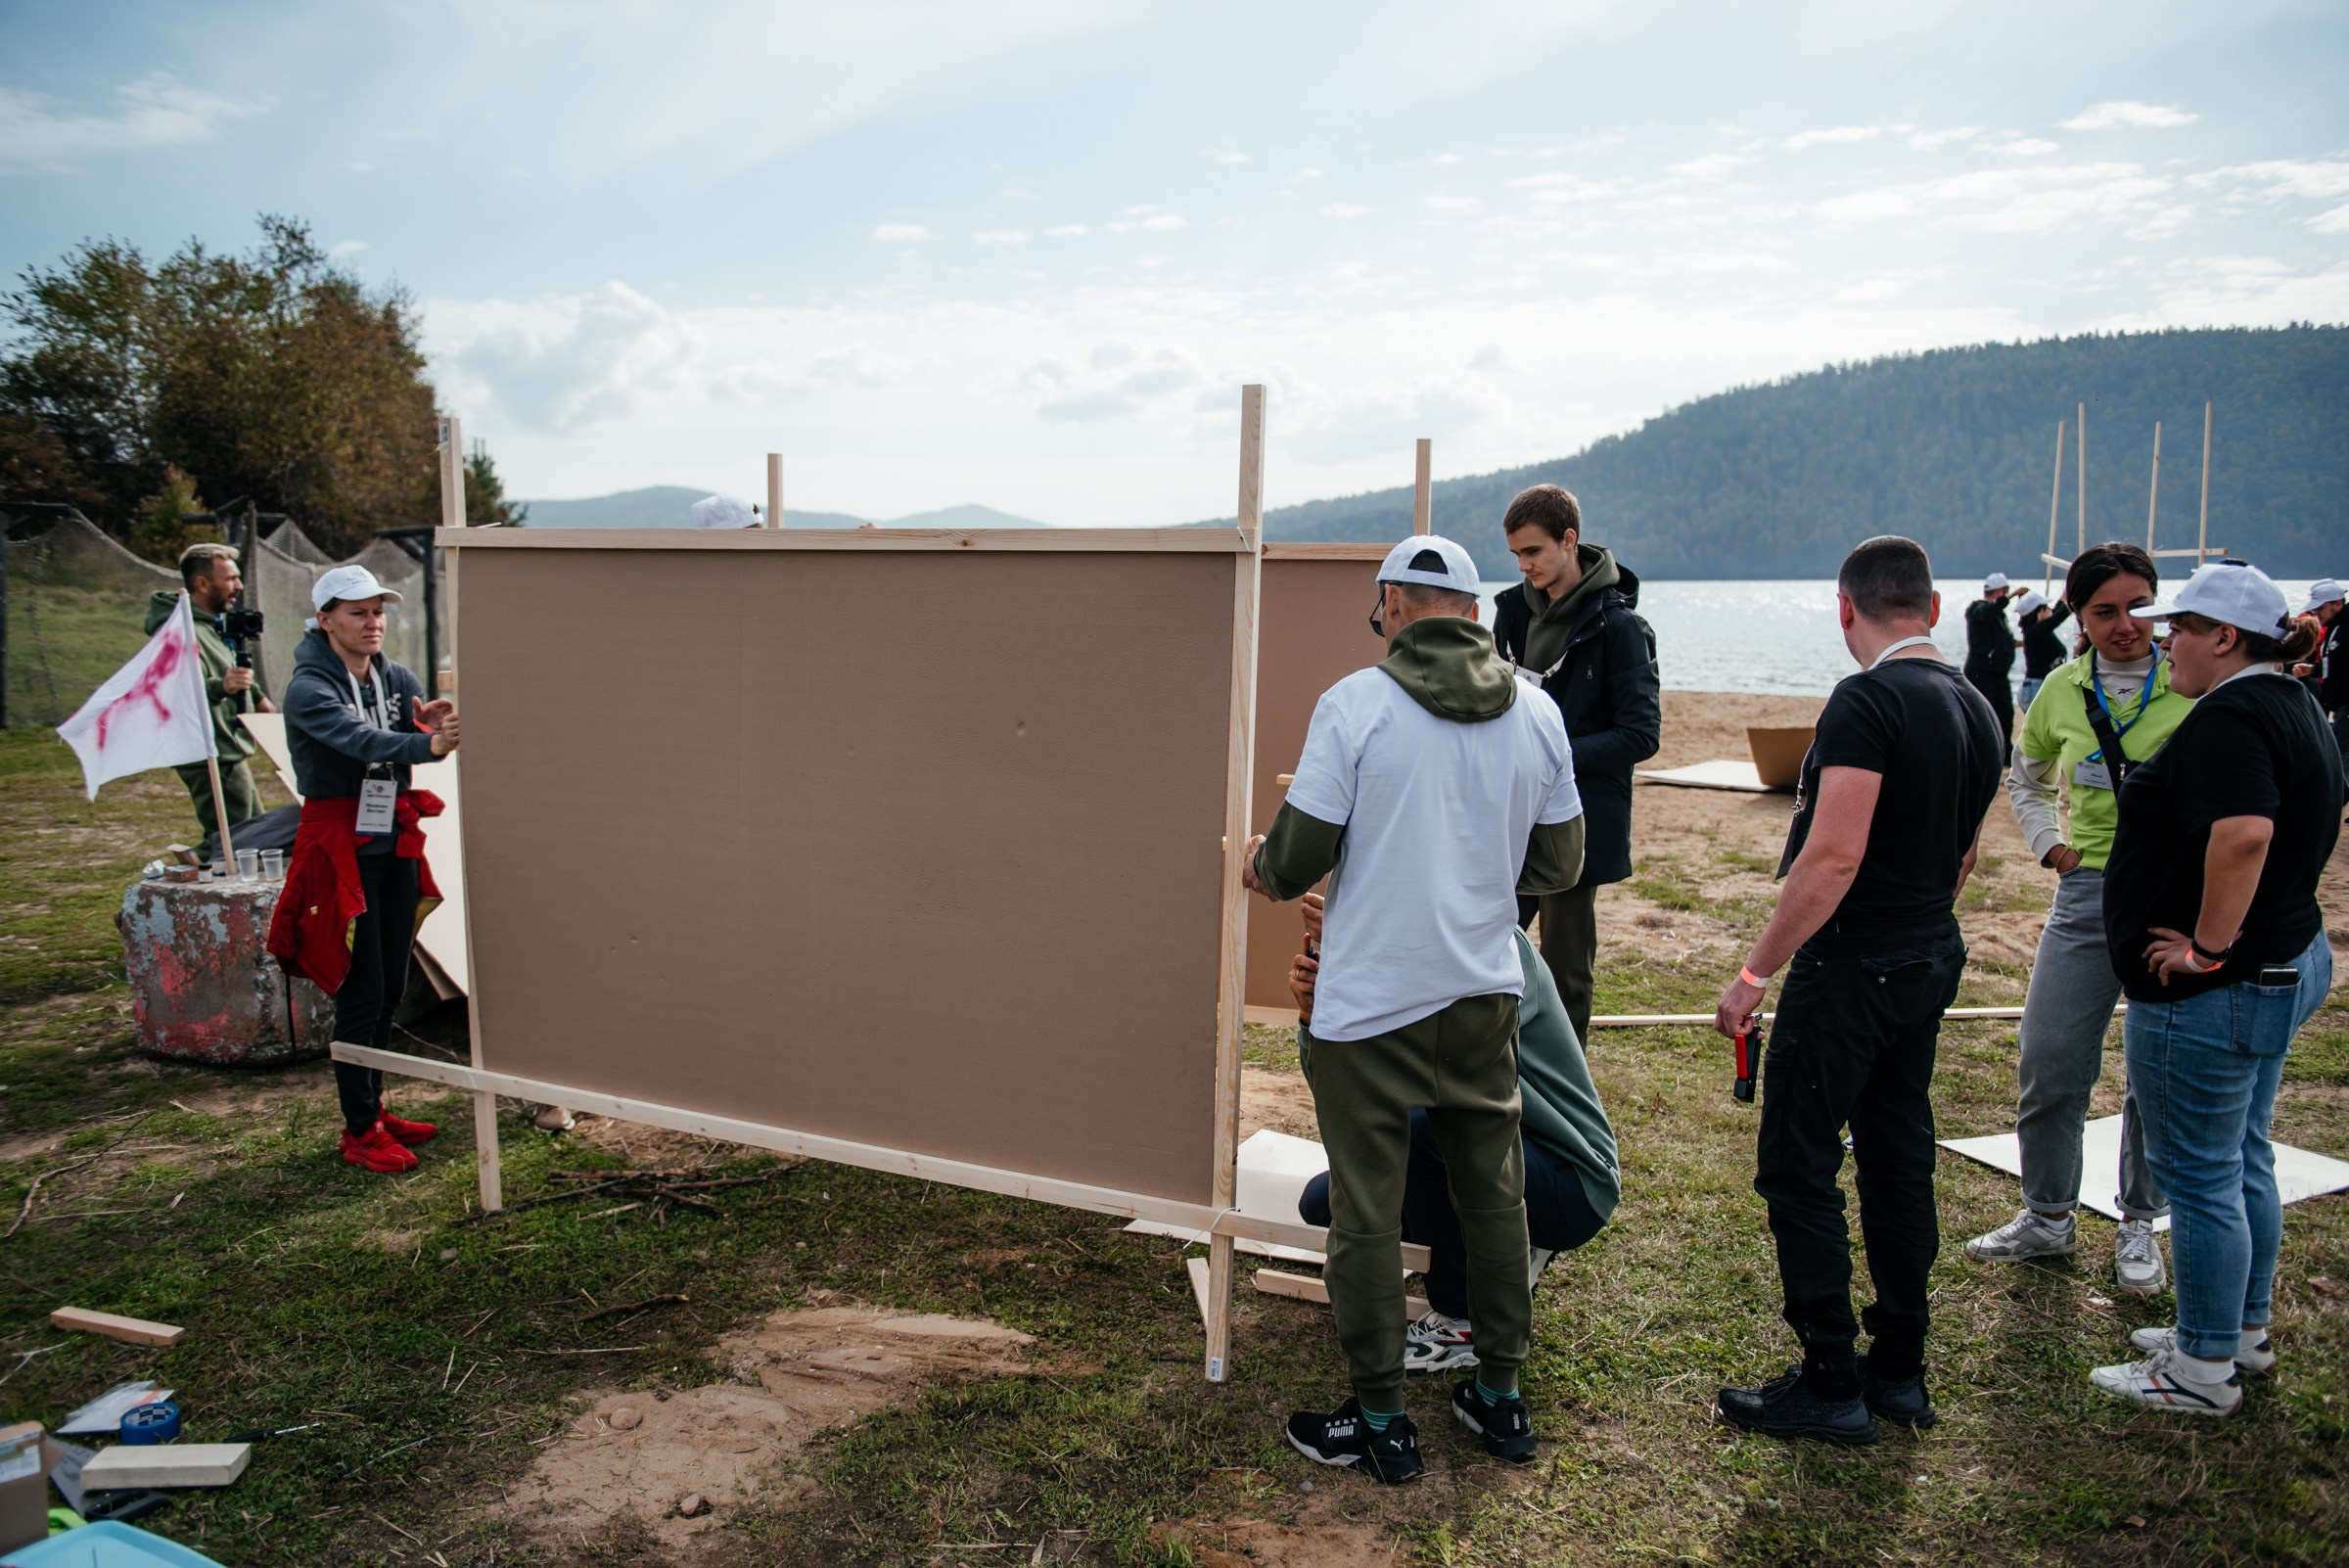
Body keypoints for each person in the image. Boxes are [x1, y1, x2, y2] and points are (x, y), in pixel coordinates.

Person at [1242, 535, 1585, 1481]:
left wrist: (1259, 865)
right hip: (1481, 995)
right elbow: (1559, 867)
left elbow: (1296, 859)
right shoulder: (1540, 713)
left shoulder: (1355, 705)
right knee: (1495, 1199)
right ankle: (1501, 1399)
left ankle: (1383, 1420)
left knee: (1365, 1211)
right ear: (1474, 613)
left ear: (1392, 606)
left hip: (1369, 1006)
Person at [1709, 536, 2002, 1446]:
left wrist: (1755, 972)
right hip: (1924, 953)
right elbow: (1963, 855)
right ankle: (1901, 1367)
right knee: (1896, 1152)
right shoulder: (1976, 704)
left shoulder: (1869, 699)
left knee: (1798, 1164)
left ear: (1846, 610)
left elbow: (1833, 854)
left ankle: (1832, 1376)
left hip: (1852, 967)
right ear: (1936, 609)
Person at [2090, 561, 2339, 1416]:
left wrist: (2205, 950)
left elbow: (2243, 837)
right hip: (2285, 959)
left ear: (2224, 638)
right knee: (2245, 1154)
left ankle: (2199, 1371)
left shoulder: (2232, 715)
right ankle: (2239, 1332)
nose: (2164, 644)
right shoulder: (2293, 700)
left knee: (2198, 1175)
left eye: (2179, 629)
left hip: (2221, 989)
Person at [1967, 544, 2187, 1294]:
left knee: (2153, 1074)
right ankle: (2049, 1217)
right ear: (2079, 617)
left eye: (2140, 607)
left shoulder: (2196, 683)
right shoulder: (2061, 689)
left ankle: (2138, 1223)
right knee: (2051, 1055)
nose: (2126, 625)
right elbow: (2024, 779)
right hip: (2088, 891)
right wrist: (2050, 847)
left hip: (2177, 899)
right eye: (2105, 612)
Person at [1288, 892, 1619, 1375]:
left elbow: (1426, 1080)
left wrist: (1363, 959)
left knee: (1424, 1125)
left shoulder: (1494, 944)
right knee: (1321, 1204)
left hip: (1569, 1180)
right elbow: (1342, 1094)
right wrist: (1315, 1018)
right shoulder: (1400, 947)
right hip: (1497, 1149)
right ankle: (1494, 1246)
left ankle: (1463, 1315)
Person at [266, 565, 459, 1175]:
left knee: (392, 985)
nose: (373, 622)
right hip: (338, 846)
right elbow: (358, 739)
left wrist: (426, 721)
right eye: (357, 612)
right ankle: (359, 1129)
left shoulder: (396, 676)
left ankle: (374, 1107)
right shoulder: (307, 688)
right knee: (361, 987)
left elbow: (402, 728)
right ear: (324, 621)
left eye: (378, 611)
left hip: (392, 840)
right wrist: (423, 745)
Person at [1492, 484, 1661, 1042]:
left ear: (1570, 540)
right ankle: (1488, 1068)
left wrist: (1555, 759)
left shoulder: (1622, 628)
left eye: (1533, 552)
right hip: (1510, 812)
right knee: (1487, 939)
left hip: (1577, 819)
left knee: (1565, 969)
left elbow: (1641, 734)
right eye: (1516, 554)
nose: (1524, 565)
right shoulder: (1510, 614)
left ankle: (1567, 1092)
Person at [144, 542, 275, 841]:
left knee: (250, 834)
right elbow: (174, 693)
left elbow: (226, 667)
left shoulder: (210, 626)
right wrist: (222, 687)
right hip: (207, 752)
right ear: (202, 583)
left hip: (226, 747)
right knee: (235, 842)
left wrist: (257, 696)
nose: (238, 586)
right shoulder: (177, 633)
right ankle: (177, 878)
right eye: (230, 579)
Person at [2289, 577, 2346, 775]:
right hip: (2338, 703)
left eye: (2320, 608)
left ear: (2338, 604)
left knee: (2340, 753)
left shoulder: (2346, 627)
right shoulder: (2334, 628)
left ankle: (2338, 799)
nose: (2315, 614)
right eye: (2314, 610)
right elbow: (2337, 663)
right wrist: (2312, 669)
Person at [1964, 571, 2018, 763]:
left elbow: (2003, 640)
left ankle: (2004, 752)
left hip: (1999, 673)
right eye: (2005, 591)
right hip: (1981, 672)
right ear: (1999, 591)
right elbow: (1983, 615)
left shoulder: (1999, 616)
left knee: (2006, 712)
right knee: (1982, 712)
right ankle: (1979, 751)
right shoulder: (1978, 608)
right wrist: (2007, 599)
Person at [2014, 587, 2072, 714]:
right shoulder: (2036, 631)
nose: (2050, 609)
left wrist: (2069, 588)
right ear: (2038, 613)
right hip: (2036, 689)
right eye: (2046, 607)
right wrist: (2076, 598)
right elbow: (2060, 615)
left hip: (2035, 687)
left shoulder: (2035, 630)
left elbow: (2058, 610)